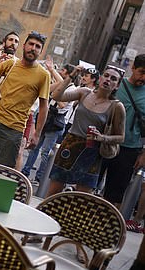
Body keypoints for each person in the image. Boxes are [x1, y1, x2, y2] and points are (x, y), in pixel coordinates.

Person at [0, 31, 51, 167]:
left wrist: (37, 134)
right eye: (31, 44)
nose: (33, 48)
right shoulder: (11, 64)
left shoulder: (43, 75)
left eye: (38, 46)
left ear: (41, 51)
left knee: (4, 171)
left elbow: (44, 106)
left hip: (15, 128)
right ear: (24, 45)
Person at [46, 65, 126, 196]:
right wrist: (71, 76)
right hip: (70, 145)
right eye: (106, 76)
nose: (108, 80)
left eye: (113, 79)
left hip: (92, 151)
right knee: (54, 192)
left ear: (117, 86)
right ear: (100, 78)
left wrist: (102, 137)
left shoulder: (116, 107)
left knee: (81, 198)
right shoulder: (84, 92)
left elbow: (121, 137)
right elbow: (56, 96)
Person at [104, 54, 145, 231]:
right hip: (104, 143)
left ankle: (107, 230)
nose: (144, 78)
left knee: (115, 194)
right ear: (133, 68)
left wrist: (144, 153)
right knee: (89, 185)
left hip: (129, 150)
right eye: (142, 72)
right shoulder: (117, 85)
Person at [22, 62, 76, 183]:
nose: (61, 71)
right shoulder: (61, 84)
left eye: (63, 70)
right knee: (34, 147)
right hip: (48, 119)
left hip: (56, 123)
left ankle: (39, 177)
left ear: (68, 74)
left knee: (45, 152)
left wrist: (54, 95)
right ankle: (26, 171)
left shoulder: (72, 89)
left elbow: (63, 105)